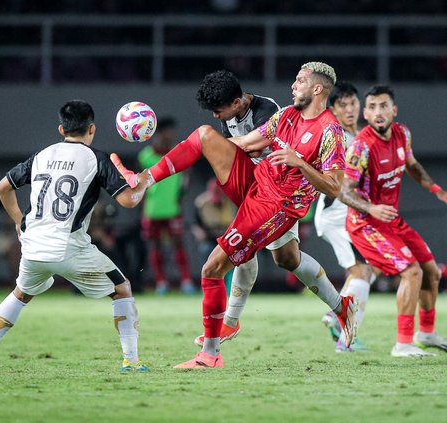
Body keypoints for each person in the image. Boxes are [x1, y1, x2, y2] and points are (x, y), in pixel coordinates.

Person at [112, 62, 357, 368]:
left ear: (317, 89)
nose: (293, 85)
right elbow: (244, 143)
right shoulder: (287, 116)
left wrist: (301, 163)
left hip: (277, 205)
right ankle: (142, 181)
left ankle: (211, 354)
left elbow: (334, 187)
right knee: (204, 135)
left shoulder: (331, 132)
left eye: (300, 81)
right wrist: (204, 152)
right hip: (256, 183)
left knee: (214, 267)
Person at [0, 100, 150, 373]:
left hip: (33, 246)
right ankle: (131, 362)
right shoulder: (95, 158)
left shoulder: (43, 155)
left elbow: (2, 187)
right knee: (122, 288)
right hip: (69, 247)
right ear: (92, 129)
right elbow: (129, 201)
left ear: (60, 128)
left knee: (20, 294)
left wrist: (20, 221)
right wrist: (144, 180)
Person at [193, 69, 302, 346]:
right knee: (244, 250)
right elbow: (237, 151)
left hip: (276, 192)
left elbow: (254, 147)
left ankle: (340, 305)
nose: (216, 116)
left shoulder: (266, 110)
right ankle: (230, 322)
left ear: (238, 102)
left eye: (218, 110)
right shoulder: (230, 115)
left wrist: (224, 149)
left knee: (288, 259)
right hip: (251, 189)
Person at [339, 85, 447, 357]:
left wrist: (437, 190)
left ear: (393, 110)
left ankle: (426, 333)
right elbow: (344, 191)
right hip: (365, 224)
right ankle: (402, 343)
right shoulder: (361, 147)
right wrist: (372, 208)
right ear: (365, 112)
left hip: (392, 221)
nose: (378, 112)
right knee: (412, 272)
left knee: (431, 272)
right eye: (372, 107)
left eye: (383, 106)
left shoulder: (402, 134)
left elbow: (412, 165)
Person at [314, 81, 376, 352]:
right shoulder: (336, 138)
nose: (350, 109)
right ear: (334, 109)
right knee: (361, 271)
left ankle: (337, 317)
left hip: (353, 217)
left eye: (353, 103)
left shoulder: (364, 137)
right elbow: (335, 185)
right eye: (343, 105)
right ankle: (345, 334)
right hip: (337, 217)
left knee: (369, 270)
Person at [137, 117, 196, 295]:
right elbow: (139, 184)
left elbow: (186, 177)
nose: (171, 135)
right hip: (152, 209)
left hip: (172, 209)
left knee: (179, 244)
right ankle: (161, 282)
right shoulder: (145, 156)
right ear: (159, 133)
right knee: (155, 247)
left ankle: (186, 281)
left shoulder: (177, 153)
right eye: (168, 131)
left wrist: (181, 195)